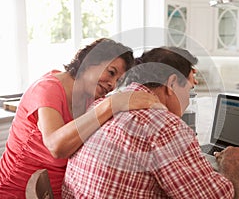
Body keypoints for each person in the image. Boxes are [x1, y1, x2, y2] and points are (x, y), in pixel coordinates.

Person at [62, 46, 239, 198]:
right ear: (172, 83)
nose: (187, 101)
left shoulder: (104, 104)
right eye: (189, 90)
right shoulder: (164, 125)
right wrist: (231, 163)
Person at [0, 38, 165, 198]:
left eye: (118, 81)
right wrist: (111, 104)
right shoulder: (47, 88)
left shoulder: (88, 95)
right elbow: (56, 146)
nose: (112, 85)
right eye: (111, 72)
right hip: (18, 191)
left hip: (63, 191)